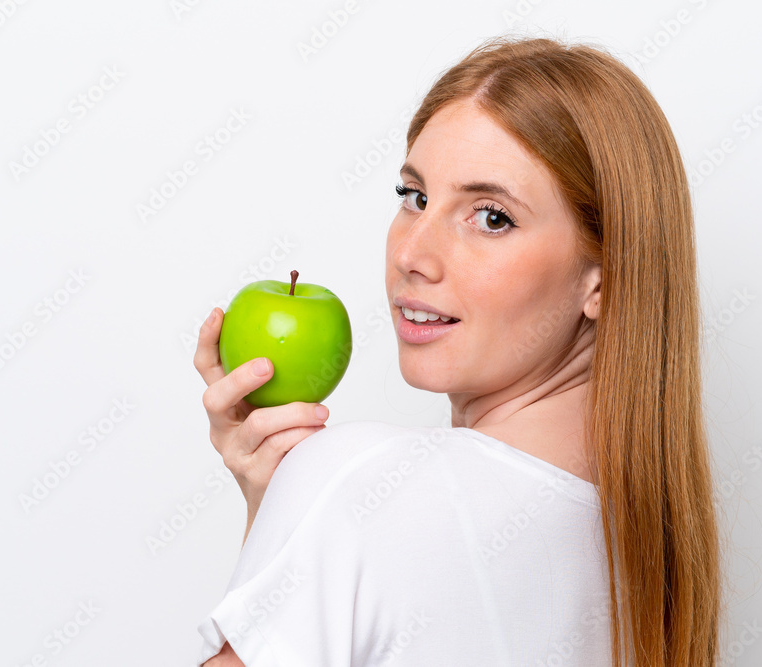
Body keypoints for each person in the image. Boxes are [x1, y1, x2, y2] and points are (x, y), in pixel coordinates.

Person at [194, 33, 721, 667]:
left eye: (492, 216)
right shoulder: (651, 560)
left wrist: (305, 508)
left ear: (603, 280)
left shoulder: (357, 484)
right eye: (414, 198)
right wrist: (279, 511)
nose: (412, 253)